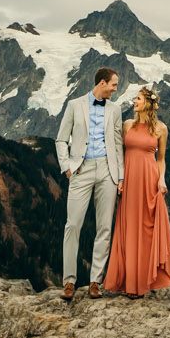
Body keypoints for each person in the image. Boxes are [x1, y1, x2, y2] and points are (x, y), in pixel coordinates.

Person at [55, 66, 123, 300]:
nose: (115, 89)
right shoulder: (75, 105)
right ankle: (69, 282)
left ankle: (96, 281)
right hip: (80, 170)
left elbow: (117, 144)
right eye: (113, 84)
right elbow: (61, 139)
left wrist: (120, 176)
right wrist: (66, 167)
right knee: (72, 225)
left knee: (104, 227)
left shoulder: (115, 109)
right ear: (102, 83)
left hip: (107, 170)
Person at [102, 84, 170, 298]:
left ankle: (142, 281)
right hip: (130, 181)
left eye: (138, 99)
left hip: (149, 181)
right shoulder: (127, 125)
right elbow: (120, 154)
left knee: (146, 230)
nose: (134, 101)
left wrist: (161, 180)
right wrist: (119, 178)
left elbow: (161, 160)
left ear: (149, 104)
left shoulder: (161, 128)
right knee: (129, 228)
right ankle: (127, 281)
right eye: (135, 98)